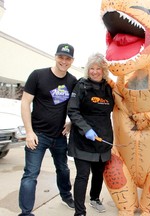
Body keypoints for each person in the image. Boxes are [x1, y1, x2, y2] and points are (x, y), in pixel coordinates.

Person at [19, 43, 77, 216]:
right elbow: (25, 102)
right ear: (55, 56)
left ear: (72, 61)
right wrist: (29, 132)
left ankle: (66, 196)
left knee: (63, 169)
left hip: (59, 136)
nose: (64, 61)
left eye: (67, 58)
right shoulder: (38, 75)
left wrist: (70, 123)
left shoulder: (72, 81)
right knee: (30, 174)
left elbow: (75, 106)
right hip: (37, 135)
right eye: (61, 57)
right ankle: (26, 212)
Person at [67, 53, 114, 216]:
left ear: (104, 70)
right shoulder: (81, 85)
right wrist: (85, 129)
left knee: (99, 173)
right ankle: (80, 211)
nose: (95, 72)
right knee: (83, 175)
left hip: (103, 138)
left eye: (98, 68)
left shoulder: (109, 87)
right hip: (83, 138)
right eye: (92, 68)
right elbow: (72, 110)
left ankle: (95, 198)